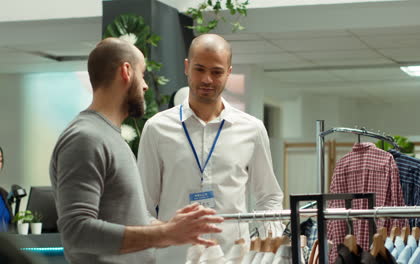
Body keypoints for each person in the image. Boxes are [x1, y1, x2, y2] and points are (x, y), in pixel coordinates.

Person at [49, 38, 224, 264]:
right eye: (142, 74)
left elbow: (128, 219)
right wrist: (165, 233)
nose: (145, 86)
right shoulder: (86, 138)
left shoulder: (109, 136)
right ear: (126, 71)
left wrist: (172, 229)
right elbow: (77, 231)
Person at [137, 33, 284, 263]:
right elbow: (142, 206)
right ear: (187, 67)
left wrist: (271, 251)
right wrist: (160, 239)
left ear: (229, 72)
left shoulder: (252, 129)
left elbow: (269, 197)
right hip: (174, 258)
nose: (207, 79)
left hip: (233, 257)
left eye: (216, 72)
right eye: (199, 69)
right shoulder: (157, 129)